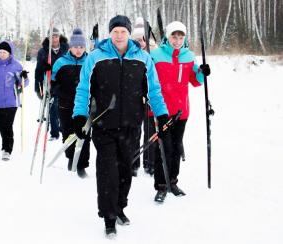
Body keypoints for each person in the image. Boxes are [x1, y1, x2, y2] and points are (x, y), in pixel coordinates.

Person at [72, 15, 168, 238]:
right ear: (110, 33)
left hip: (132, 126)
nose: (118, 35)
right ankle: (108, 217)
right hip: (103, 125)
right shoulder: (96, 57)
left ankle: (120, 208)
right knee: (107, 172)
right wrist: (79, 115)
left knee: (125, 170)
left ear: (128, 33)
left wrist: (161, 114)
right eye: (115, 31)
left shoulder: (143, 58)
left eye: (122, 31)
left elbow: (153, 90)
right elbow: (83, 89)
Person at [150, 21, 211, 202]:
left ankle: (173, 182)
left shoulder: (189, 56)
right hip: (161, 110)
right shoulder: (156, 55)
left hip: (181, 111)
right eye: (173, 36)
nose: (177, 40)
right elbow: (147, 79)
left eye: (180, 37)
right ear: (167, 37)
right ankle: (161, 185)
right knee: (163, 148)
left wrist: (202, 72)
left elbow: (196, 80)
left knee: (176, 147)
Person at [51, 28, 90, 178]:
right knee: (67, 133)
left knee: (83, 134)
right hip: (65, 104)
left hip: (84, 105)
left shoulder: (89, 61)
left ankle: (82, 165)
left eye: (81, 47)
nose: (78, 50)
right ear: (70, 47)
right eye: (75, 47)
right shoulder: (61, 62)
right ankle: (70, 157)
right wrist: (57, 89)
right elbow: (53, 82)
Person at [131, 17, 159, 176]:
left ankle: (150, 163)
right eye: (138, 39)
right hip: (134, 98)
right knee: (134, 132)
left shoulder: (156, 53)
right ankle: (134, 163)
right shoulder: (130, 53)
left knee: (150, 131)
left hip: (150, 98)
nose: (141, 42)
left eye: (144, 39)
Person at [34, 27, 69, 141]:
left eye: (56, 36)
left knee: (65, 107)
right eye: (52, 37)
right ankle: (54, 133)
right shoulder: (43, 51)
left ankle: (64, 128)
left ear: (59, 37)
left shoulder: (66, 48)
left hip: (65, 82)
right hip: (51, 83)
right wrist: (37, 87)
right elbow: (38, 70)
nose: (54, 39)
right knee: (53, 107)